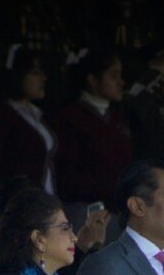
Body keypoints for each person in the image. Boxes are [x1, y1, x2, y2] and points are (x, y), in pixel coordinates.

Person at [0, 46, 58, 225]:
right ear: (17, 75)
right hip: (15, 211)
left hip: (43, 207)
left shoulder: (37, 114)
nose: (43, 79)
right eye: (35, 73)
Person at [54, 50, 133, 205]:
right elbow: (69, 176)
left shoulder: (117, 116)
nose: (121, 82)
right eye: (113, 76)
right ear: (92, 80)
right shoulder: (71, 118)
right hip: (87, 210)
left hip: (120, 208)